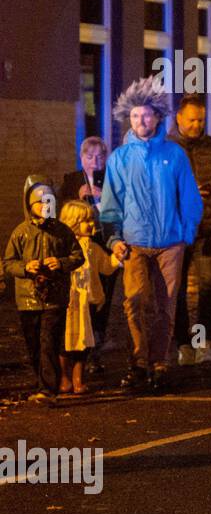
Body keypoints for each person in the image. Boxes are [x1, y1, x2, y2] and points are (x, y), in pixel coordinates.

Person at [99, 77, 204, 393]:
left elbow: (189, 198)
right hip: (133, 243)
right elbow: (110, 203)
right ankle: (138, 361)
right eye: (134, 116)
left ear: (158, 116)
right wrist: (114, 239)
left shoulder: (174, 155)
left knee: (164, 306)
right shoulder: (119, 158)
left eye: (146, 114)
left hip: (170, 243)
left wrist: (185, 234)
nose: (140, 121)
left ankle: (158, 363)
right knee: (134, 303)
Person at [4, 177, 84, 401]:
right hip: (27, 298)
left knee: (49, 340)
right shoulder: (21, 232)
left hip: (55, 297)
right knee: (34, 343)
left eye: (49, 202)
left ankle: (48, 389)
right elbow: (9, 262)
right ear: (30, 206)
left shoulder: (63, 231)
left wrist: (61, 263)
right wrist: (25, 268)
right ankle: (42, 381)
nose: (46, 206)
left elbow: (78, 256)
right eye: (40, 203)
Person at [171, 94, 211, 365]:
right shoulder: (168, 149)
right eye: (192, 120)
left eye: (201, 120)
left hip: (207, 229)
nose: (197, 125)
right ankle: (183, 344)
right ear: (179, 119)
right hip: (176, 231)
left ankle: (202, 343)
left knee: (209, 288)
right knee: (177, 291)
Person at [58, 136, 115, 368]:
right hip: (80, 249)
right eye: (90, 157)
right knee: (81, 299)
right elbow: (62, 211)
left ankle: (97, 343)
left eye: (100, 157)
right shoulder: (71, 179)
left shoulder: (111, 180)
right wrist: (75, 198)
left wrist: (105, 197)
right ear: (82, 158)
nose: (95, 161)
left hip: (103, 244)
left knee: (103, 296)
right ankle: (79, 350)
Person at [58, 199, 121, 394]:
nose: (92, 224)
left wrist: (118, 257)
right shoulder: (62, 246)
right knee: (65, 341)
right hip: (69, 302)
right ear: (73, 221)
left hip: (89, 302)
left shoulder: (93, 247)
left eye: (92, 220)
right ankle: (65, 378)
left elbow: (106, 267)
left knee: (85, 342)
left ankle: (78, 379)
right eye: (87, 221)